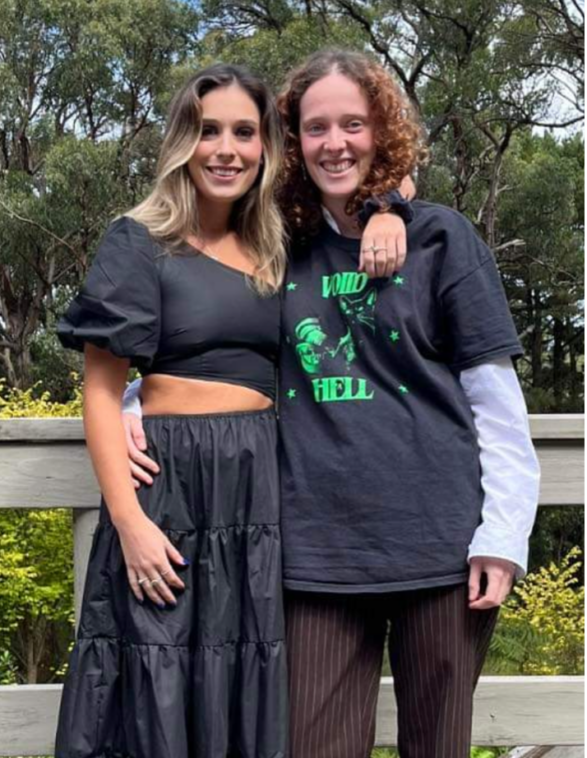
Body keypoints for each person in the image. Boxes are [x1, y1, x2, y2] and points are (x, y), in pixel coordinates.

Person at [123, 50, 541, 758]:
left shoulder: (441, 239)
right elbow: (219, 343)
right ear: (292, 141)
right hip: (313, 555)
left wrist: (502, 539)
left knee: (437, 747)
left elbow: (496, 407)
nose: (335, 142)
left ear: (382, 133)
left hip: (440, 551)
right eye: (315, 127)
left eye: (353, 123)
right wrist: (141, 403)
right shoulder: (277, 247)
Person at [55, 60, 406, 758]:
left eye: (244, 132)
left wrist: (388, 209)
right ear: (183, 141)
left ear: (266, 147)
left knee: (245, 673)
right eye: (207, 130)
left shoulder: (280, 237)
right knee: (156, 675)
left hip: (258, 490)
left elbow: (365, 171)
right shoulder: (138, 240)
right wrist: (126, 522)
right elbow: (99, 389)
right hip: (169, 491)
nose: (226, 149)